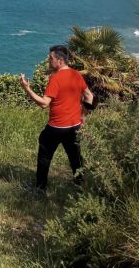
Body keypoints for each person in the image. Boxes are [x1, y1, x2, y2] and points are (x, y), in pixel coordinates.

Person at [20, 44, 94, 192]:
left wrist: (27, 88)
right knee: (75, 157)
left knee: (44, 156)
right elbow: (89, 96)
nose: (49, 61)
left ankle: (40, 188)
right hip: (74, 126)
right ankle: (80, 186)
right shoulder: (76, 74)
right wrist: (83, 118)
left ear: (60, 61)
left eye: (51, 59)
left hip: (56, 127)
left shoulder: (56, 78)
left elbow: (44, 104)